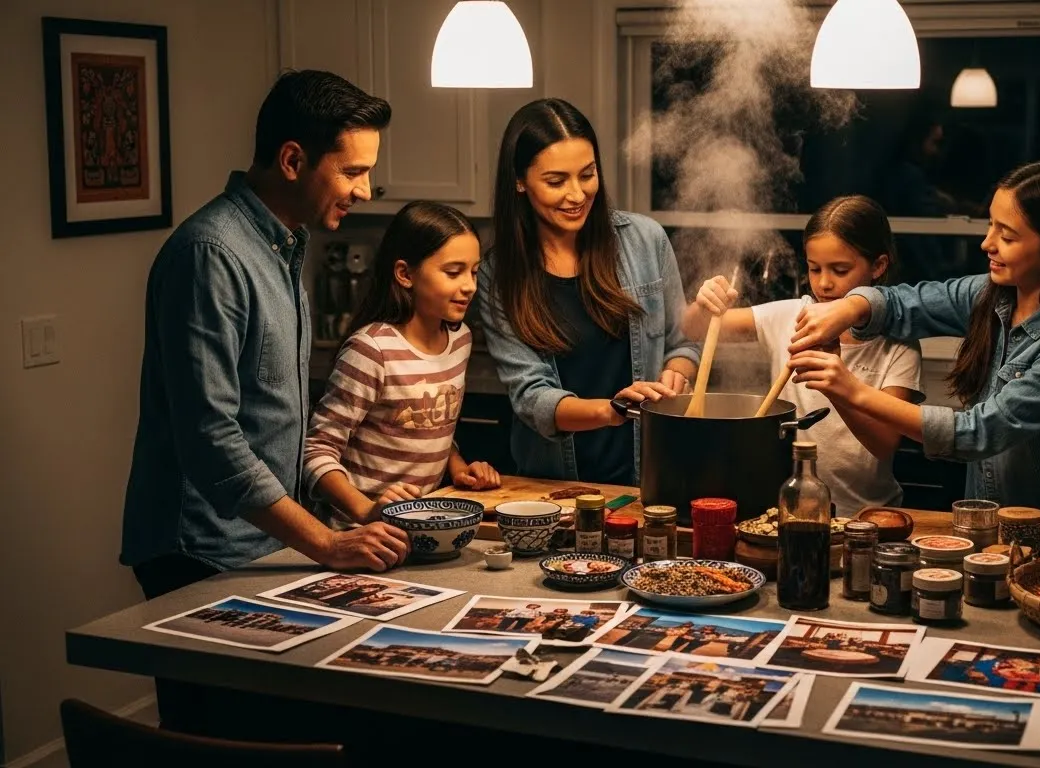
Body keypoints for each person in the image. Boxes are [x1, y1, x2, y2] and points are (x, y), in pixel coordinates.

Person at [118, 68, 407, 738]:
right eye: (353, 171)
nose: (365, 191)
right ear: (292, 159)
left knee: (276, 734)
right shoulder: (211, 254)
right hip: (198, 554)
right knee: (219, 747)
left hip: (256, 545)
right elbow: (211, 440)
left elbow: (275, 416)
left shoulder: (284, 243)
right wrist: (326, 544)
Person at [787, 159, 1040, 520]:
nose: (987, 243)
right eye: (991, 226)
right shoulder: (989, 295)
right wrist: (848, 308)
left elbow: (980, 432)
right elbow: (906, 302)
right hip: (988, 527)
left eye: (1007, 236)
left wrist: (851, 389)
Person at [477, 98, 699, 485]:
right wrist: (610, 411)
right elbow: (531, 397)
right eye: (556, 181)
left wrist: (675, 375)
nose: (578, 195)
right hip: (554, 486)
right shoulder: (499, 274)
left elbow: (682, 343)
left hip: (647, 478)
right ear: (519, 180)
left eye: (587, 174)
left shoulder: (645, 240)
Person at [682, 195, 922, 515]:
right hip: (786, 509)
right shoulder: (791, 315)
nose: (824, 283)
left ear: (878, 266)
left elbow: (883, 444)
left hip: (867, 516)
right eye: (814, 268)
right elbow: (695, 328)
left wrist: (836, 384)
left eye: (840, 270)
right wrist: (705, 302)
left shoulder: (898, 344)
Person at [303, 201, 501, 528]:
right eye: (453, 272)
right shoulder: (372, 350)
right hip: (359, 533)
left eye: (474, 271)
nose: (469, 285)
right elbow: (316, 450)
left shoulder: (460, 340)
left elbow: (427, 426)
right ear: (405, 274)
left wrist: (458, 467)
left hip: (420, 528)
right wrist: (367, 510)